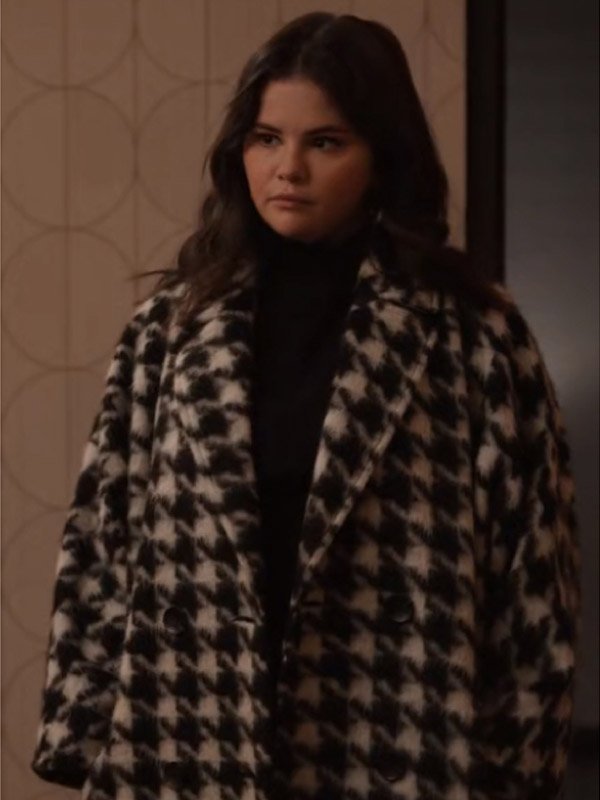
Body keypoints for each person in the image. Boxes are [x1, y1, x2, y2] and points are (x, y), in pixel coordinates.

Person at [30, 11, 580, 800]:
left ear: (382, 157)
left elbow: (534, 583)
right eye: (266, 139)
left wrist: (516, 766)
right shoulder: (172, 330)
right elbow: (101, 539)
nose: (288, 168)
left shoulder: (474, 336)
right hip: (191, 742)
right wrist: (83, 731)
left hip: (394, 741)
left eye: (325, 142)